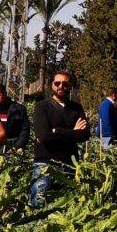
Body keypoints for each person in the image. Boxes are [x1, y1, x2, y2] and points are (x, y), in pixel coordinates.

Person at [30, 71, 90, 206]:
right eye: (57, 83)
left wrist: (57, 131)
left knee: (66, 207)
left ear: (70, 86)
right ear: (52, 85)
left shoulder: (76, 108)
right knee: (39, 205)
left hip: (69, 164)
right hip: (45, 164)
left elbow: (85, 134)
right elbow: (44, 136)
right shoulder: (42, 106)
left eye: (65, 84)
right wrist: (73, 132)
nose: (61, 86)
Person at [0, 82, 28, 151]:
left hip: (12, 147)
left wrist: (17, 146)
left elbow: (25, 129)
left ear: (5, 94)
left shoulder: (18, 109)